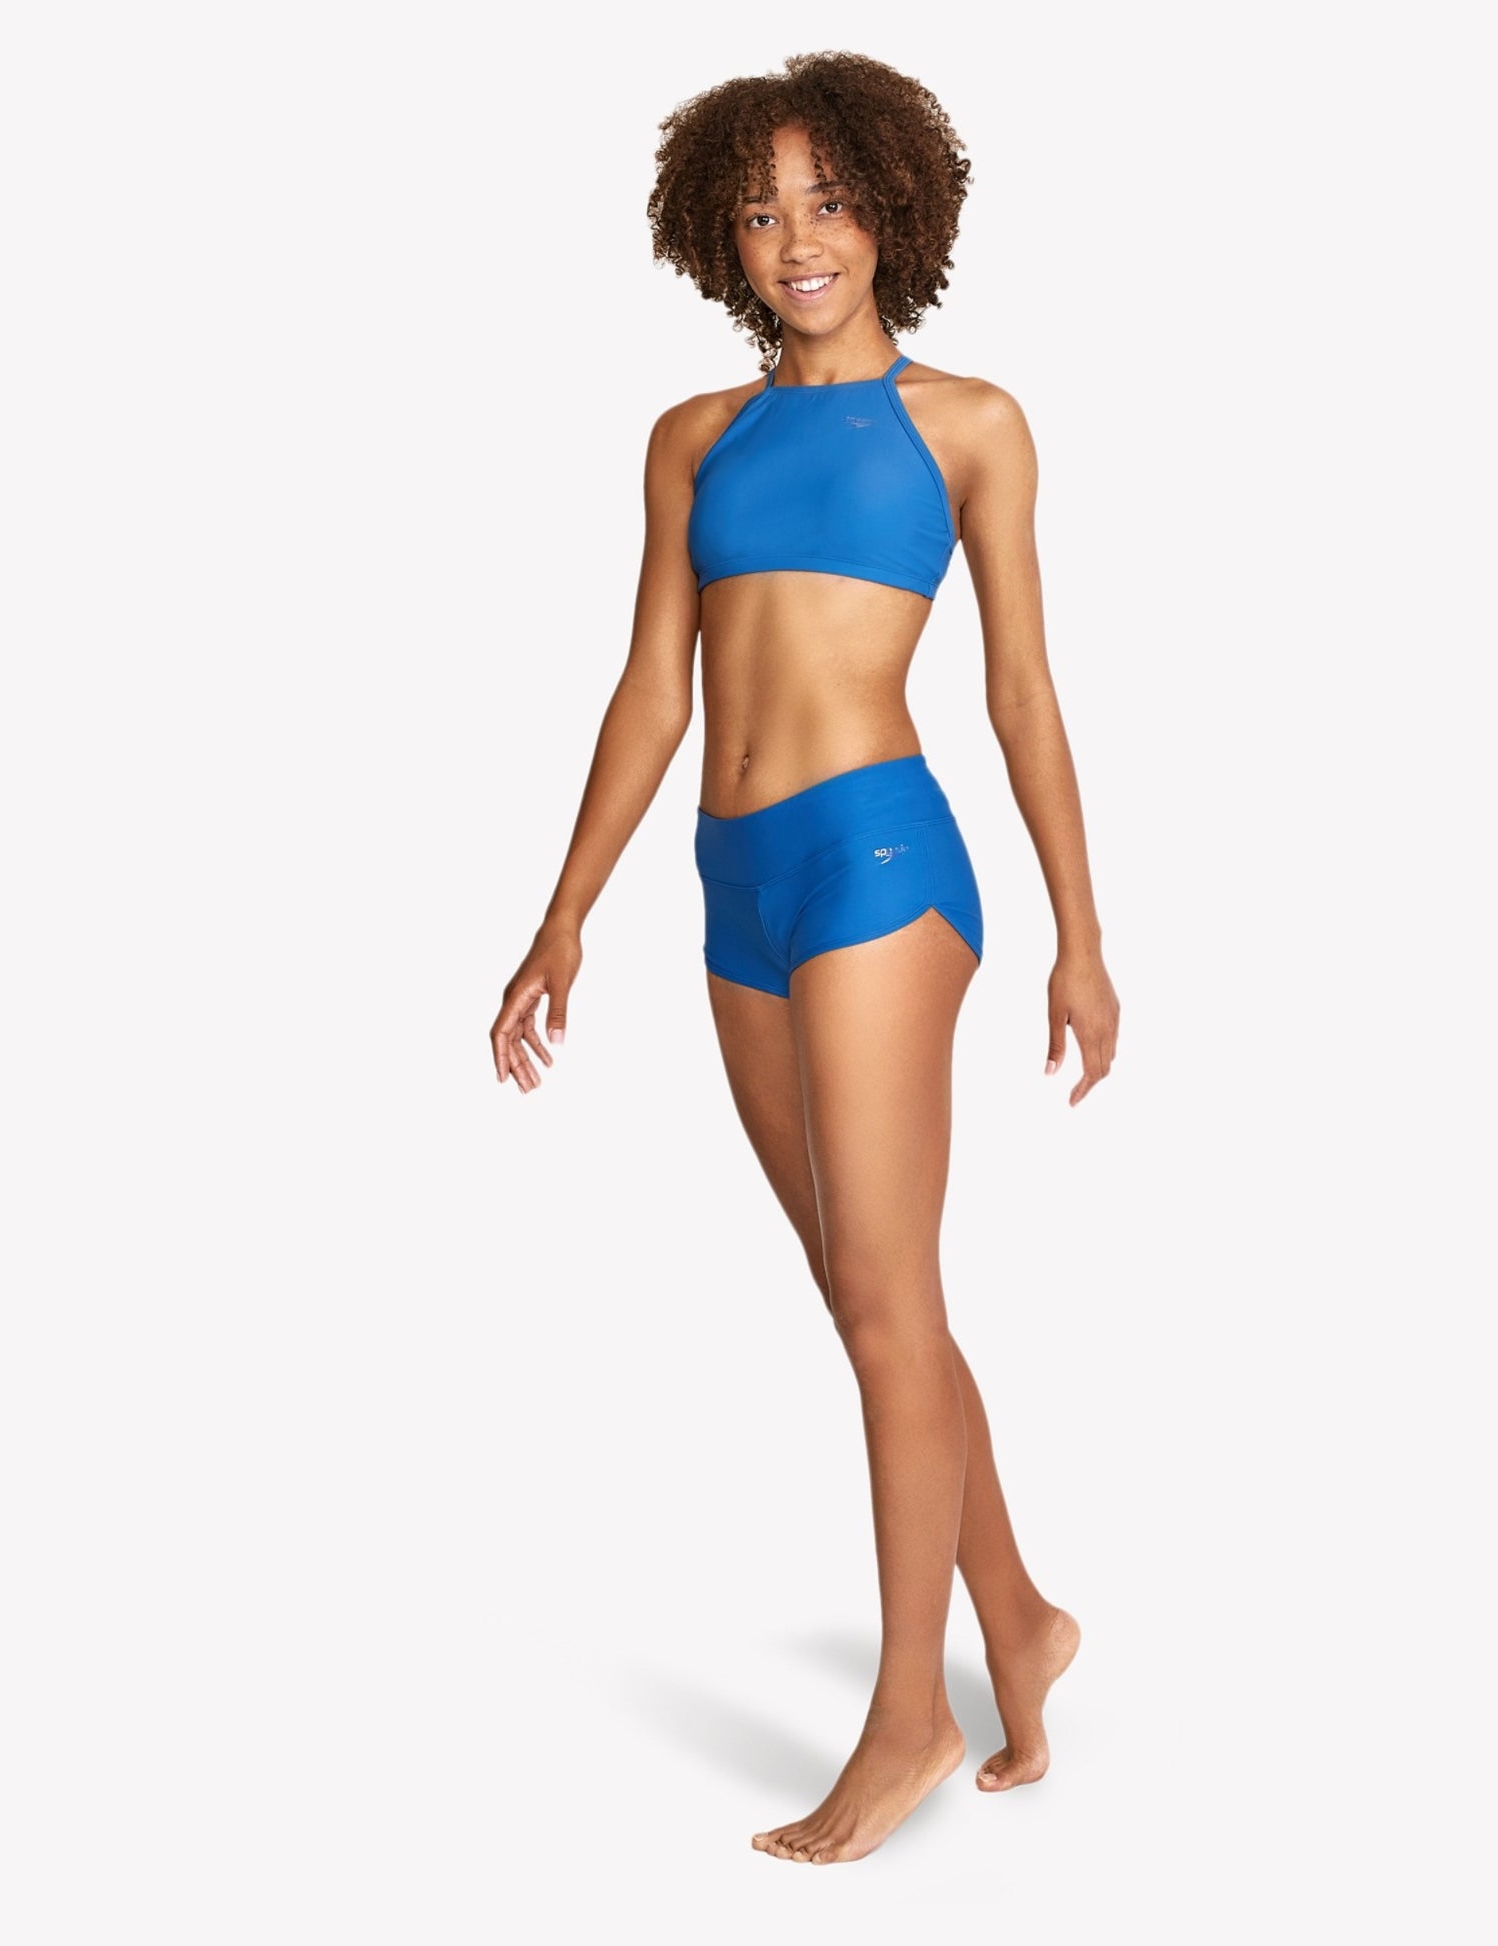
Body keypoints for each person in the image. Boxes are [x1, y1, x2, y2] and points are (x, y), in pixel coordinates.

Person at [489, 50, 1119, 1865]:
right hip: (732, 881)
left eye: (828, 202)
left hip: (877, 861)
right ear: (721, 236)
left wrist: (1080, 934)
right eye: (761, 212)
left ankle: (910, 1709)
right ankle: (1019, 1617)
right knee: (866, 1294)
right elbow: (650, 689)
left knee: (885, 1298)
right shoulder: (692, 437)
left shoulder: (969, 423)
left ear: (893, 210)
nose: (797, 239)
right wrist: (563, 909)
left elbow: (1020, 692)